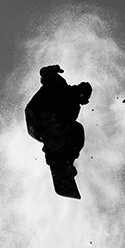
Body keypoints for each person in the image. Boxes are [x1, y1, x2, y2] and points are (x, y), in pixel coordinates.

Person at [25, 65, 92, 197]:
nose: (82, 102)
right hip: (37, 114)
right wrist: (52, 70)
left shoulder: (74, 109)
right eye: (83, 97)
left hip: (42, 128)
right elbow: (44, 73)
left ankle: (63, 160)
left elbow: (68, 132)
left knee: (77, 130)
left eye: (85, 101)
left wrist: (65, 156)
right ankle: (55, 153)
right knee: (63, 126)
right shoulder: (61, 85)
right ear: (79, 90)